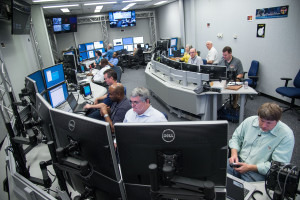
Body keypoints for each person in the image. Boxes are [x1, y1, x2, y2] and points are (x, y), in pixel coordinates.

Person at [227, 102, 294, 182]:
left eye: (269, 123)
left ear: (277, 121)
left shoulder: (286, 135)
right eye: (261, 120)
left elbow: (277, 166)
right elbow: (236, 138)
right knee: (215, 177)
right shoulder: (250, 121)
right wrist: (234, 154)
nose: (264, 125)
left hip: (257, 171)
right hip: (238, 161)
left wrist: (249, 167)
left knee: (247, 192)